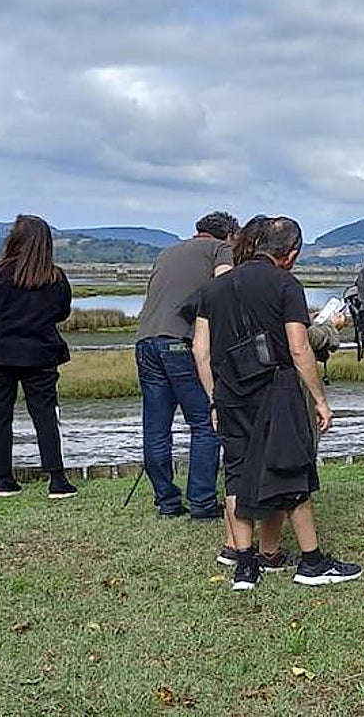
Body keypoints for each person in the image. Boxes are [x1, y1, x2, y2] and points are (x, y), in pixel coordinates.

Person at [193, 216, 362, 591]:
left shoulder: (213, 289)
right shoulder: (286, 284)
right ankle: (312, 562)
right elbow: (299, 348)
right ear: (291, 254)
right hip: (276, 388)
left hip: (229, 392)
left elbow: (200, 351)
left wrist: (213, 399)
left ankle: (244, 566)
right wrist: (320, 400)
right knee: (291, 471)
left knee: (236, 475)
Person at [135, 211, 237, 520]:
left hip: (145, 341)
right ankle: (203, 503)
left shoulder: (168, 251)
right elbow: (225, 286)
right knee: (206, 422)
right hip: (180, 343)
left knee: (156, 428)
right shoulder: (221, 249)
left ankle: (167, 502)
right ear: (230, 235)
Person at [0, 215, 77, 498]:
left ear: (13, 239)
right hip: (41, 353)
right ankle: (57, 479)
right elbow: (62, 313)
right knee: (45, 415)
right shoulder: (55, 277)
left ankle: (3, 479)